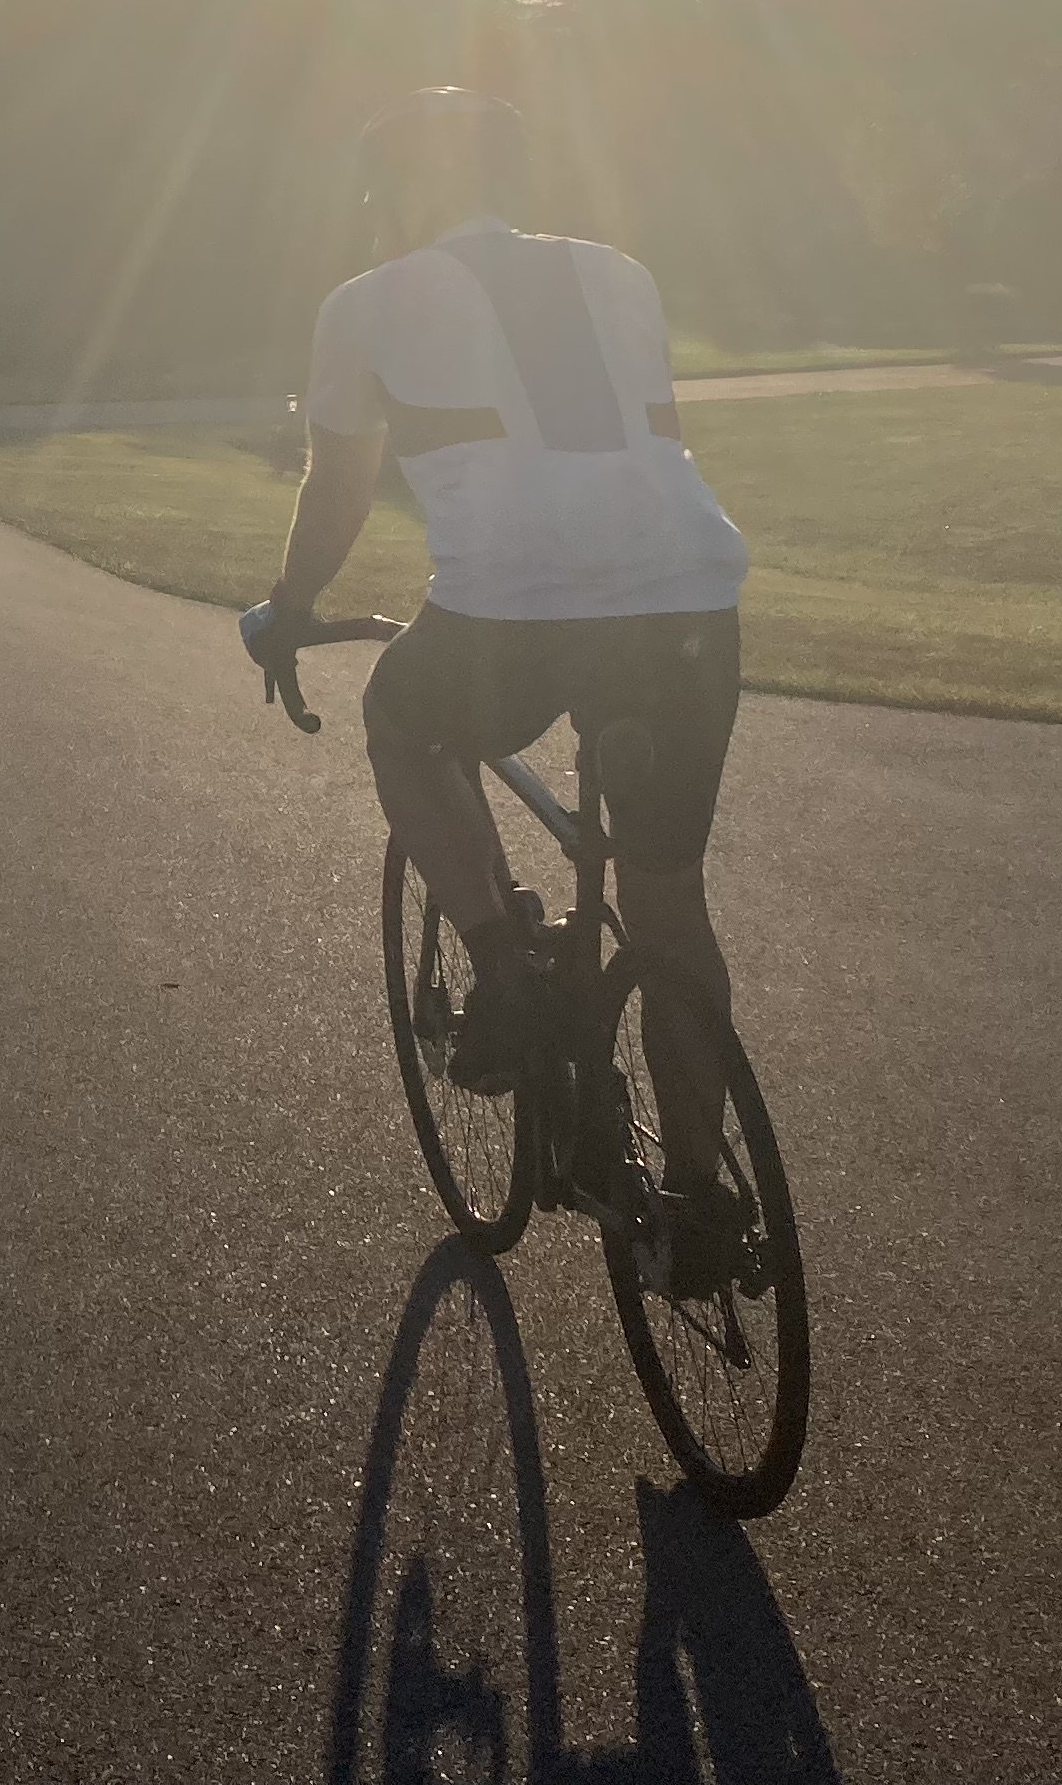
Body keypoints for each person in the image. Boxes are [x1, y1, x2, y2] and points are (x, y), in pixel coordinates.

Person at [249, 88, 758, 1275]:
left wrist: (289, 609)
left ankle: (501, 971)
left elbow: (339, 488)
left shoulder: (365, 303)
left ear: (404, 189)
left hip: (514, 611)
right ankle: (696, 1207)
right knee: (668, 899)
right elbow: (642, 443)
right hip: (688, 597)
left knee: (400, 721)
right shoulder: (620, 273)